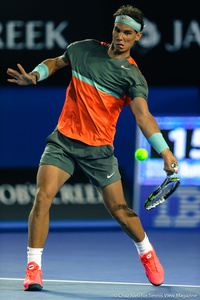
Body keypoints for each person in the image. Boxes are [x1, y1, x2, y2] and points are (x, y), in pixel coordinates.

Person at [7, 4, 178, 291]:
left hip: (99, 151)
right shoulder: (83, 48)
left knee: (121, 211)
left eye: (127, 33)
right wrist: (35, 75)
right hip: (63, 142)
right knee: (42, 197)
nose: (119, 37)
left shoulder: (132, 77)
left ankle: (146, 252)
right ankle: (33, 268)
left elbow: (143, 115)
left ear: (137, 37)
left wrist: (164, 150)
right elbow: (57, 61)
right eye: (117, 30)